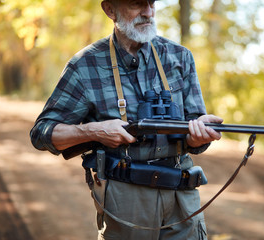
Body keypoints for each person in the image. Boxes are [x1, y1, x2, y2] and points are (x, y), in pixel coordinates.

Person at [30, 0, 223, 239]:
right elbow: (42, 133)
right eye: (136, 4)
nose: (148, 12)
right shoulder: (85, 65)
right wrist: (94, 132)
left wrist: (198, 135)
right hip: (125, 200)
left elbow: (196, 135)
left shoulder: (180, 57)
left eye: (152, 3)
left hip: (182, 199)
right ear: (110, 10)